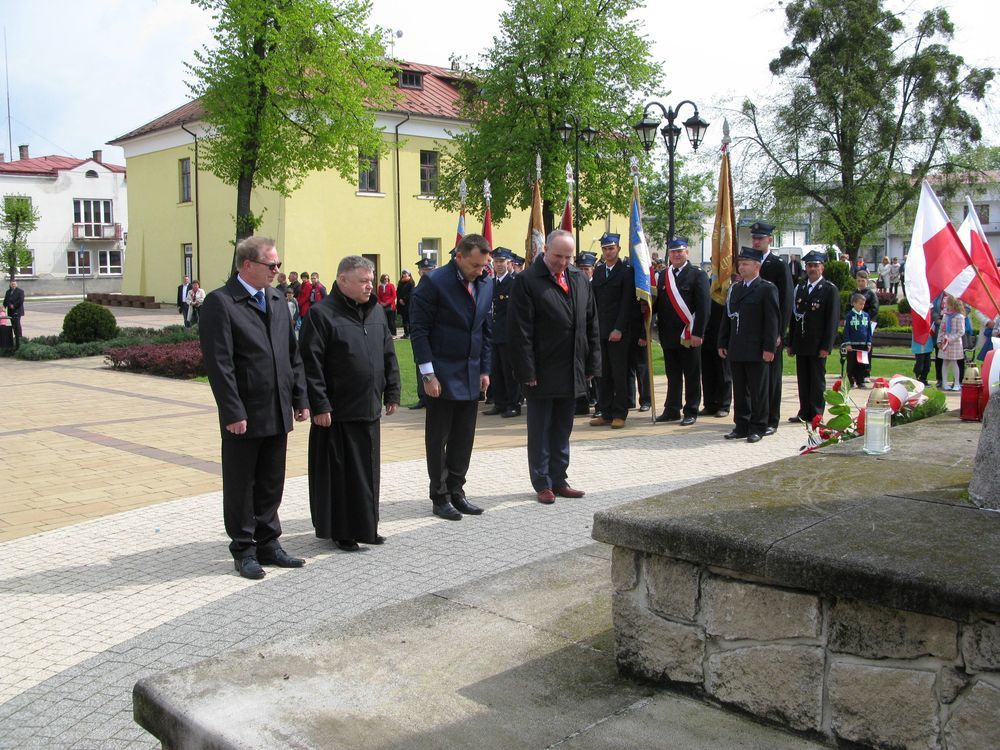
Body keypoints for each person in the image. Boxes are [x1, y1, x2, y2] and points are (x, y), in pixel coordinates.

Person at [199, 235, 310, 580]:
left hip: (276, 408)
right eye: (271, 265)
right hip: (244, 414)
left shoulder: (277, 299)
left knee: (270, 481)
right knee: (241, 483)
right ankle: (244, 549)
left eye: (278, 264)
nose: (278, 271)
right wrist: (233, 412)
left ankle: (269, 543)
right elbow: (220, 364)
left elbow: (292, 356)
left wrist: (300, 398)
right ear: (248, 265)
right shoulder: (222, 303)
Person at [300, 256, 400, 551]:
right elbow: (310, 363)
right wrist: (319, 404)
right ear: (343, 281)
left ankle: (367, 526)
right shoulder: (322, 314)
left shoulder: (377, 312)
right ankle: (342, 531)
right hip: (336, 412)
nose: (370, 286)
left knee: (368, 473)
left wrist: (392, 391)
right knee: (341, 477)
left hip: (368, 409)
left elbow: (388, 355)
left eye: (371, 280)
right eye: (363, 281)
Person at [509, 229, 600, 503]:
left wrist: (592, 362)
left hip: (572, 368)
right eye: (558, 256)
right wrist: (527, 371)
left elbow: (591, 323)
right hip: (541, 370)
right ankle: (542, 482)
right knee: (540, 429)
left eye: (568, 257)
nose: (563, 262)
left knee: (563, 427)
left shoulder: (579, 279)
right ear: (545, 250)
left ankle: (559, 479)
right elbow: (519, 331)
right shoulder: (527, 281)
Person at [409, 235, 493, 521]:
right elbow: (419, 331)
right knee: (439, 437)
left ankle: (457, 490)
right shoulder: (435, 283)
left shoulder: (486, 283)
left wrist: (484, 369)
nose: (479, 271)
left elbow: (484, 330)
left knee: (463, 437)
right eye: (474, 265)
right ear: (458, 256)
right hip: (441, 375)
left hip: (470, 373)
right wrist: (428, 374)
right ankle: (440, 494)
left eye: (483, 265)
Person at [718, 247, 779, 444]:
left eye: (745, 264)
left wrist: (769, 348)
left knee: (758, 390)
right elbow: (727, 319)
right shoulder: (735, 288)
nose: (741, 268)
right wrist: (722, 341)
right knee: (740, 389)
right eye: (740, 264)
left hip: (756, 348)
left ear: (756, 266)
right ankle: (741, 425)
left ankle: (758, 426)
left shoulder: (766, 288)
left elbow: (771, 321)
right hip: (737, 347)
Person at [653, 236, 710, 425]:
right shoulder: (662, 275)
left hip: (689, 333)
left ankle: (691, 410)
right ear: (669, 254)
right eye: (673, 252)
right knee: (673, 374)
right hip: (668, 335)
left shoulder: (697, 275)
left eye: (680, 251)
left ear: (687, 252)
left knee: (692, 374)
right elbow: (658, 305)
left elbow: (703, 307)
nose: (676, 255)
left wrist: (698, 333)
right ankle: (672, 409)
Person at [787, 251, 840, 422]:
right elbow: (794, 318)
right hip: (802, 343)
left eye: (816, 265)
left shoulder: (829, 290)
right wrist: (791, 343)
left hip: (818, 344)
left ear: (822, 268)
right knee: (803, 379)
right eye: (809, 265)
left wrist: (827, 346)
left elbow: (832, 321)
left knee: (817, 381)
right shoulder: (800, 288)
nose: (812, 269)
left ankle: (816, 413)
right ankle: (804, 411)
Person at [590, 232, 635, 429]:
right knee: (603, 374)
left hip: (618, 332)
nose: (608, 252)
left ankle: (620, 413)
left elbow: (627, 304)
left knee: (619, 374)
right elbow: (595, 302)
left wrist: (618, 328)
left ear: (618, 249)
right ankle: (605, 412)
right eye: (605, 249)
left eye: (611, 248)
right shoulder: (599, 272)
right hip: (601, 330)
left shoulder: (626, 271)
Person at [752, 222, 793, 435]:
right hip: (750, 331)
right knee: (753, 378)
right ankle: (754, 416)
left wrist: (779, 332)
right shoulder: (747, 262)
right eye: (754, 238)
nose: (756, 241)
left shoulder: (777, 265)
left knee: (771, 378)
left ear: (770, 239)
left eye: (761, 238)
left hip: (771, 330)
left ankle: (771, 419)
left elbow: (786, 301)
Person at [484, 248, 521, 418]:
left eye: (502, 261)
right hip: (493, 334)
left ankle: (513, 404)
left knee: (509, 372)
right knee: (495, 371)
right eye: (496, 261)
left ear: (509, 263)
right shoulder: (490, 284)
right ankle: (499, 403)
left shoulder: (514, 283)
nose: (498, 264)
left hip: (508, 335)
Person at [408, 258, 437, 409]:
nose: (426, 273)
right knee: (419, 363)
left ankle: (432, 397)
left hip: (432, 335)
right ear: (419, 272)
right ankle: (422, 397)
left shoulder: (438, 288)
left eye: (429, 270)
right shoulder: (416, 289)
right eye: (424, 270)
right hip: (417, 333)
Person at [573, 251, 599, 416]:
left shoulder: (595, 284)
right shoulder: (576, 284)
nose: (583, 272)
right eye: (580, 268)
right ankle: (582, 402)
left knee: (594, 370)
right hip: (579, 335)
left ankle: (596, 399)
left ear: (592, 269)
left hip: (593, 332)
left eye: (586, 268)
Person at [843, 292, 873, 388]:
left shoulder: (866, 316)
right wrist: (848, 343)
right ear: (854, 303)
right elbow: (846, 330)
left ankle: (860, 381)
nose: (862, 306)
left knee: (862, 363)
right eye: (860, 304)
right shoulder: (849, 316)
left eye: (863, 304)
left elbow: (869, 330)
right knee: (851, 364)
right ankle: (851, 381)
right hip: (852, 345)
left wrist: (869, 343)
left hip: (863, 344)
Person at [939, 295, 966, 391]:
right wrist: (939, 340)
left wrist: (950, 339)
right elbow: (941, 329)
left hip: (955, 343)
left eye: (947, 303)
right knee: (945, 362)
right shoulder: (946, 315)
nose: (946, 305)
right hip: (945, 343)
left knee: (954, 362)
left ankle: (957, 383)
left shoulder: (960, 316)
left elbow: (961, 331)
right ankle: (945, 383)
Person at [3, 279, 25, 349]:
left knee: (17, 324)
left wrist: (14, 305)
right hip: (10, 311)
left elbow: (21, 300)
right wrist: (4, 306)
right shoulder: (8, 291)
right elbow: (6, 300)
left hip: (17, 310)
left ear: (16, 284)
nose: (13, 285)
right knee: (13, 325)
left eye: (14, 284)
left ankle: (20, 338)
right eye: (12, 284)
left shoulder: (20, 291)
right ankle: (16, 337)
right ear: (10, 285)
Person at [395, 269, 414, 338]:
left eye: (406, 273)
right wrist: (400, 299)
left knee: (409, 319)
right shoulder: (400, 282)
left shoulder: (411, 282)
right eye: (403, 273)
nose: (404, 275)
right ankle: (406, 333)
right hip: (401, 304)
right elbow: (398, 292)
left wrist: (404, 300)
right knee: (404, 319)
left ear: (409, 274)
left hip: (408, 303)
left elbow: (411, 293)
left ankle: (410, 333)